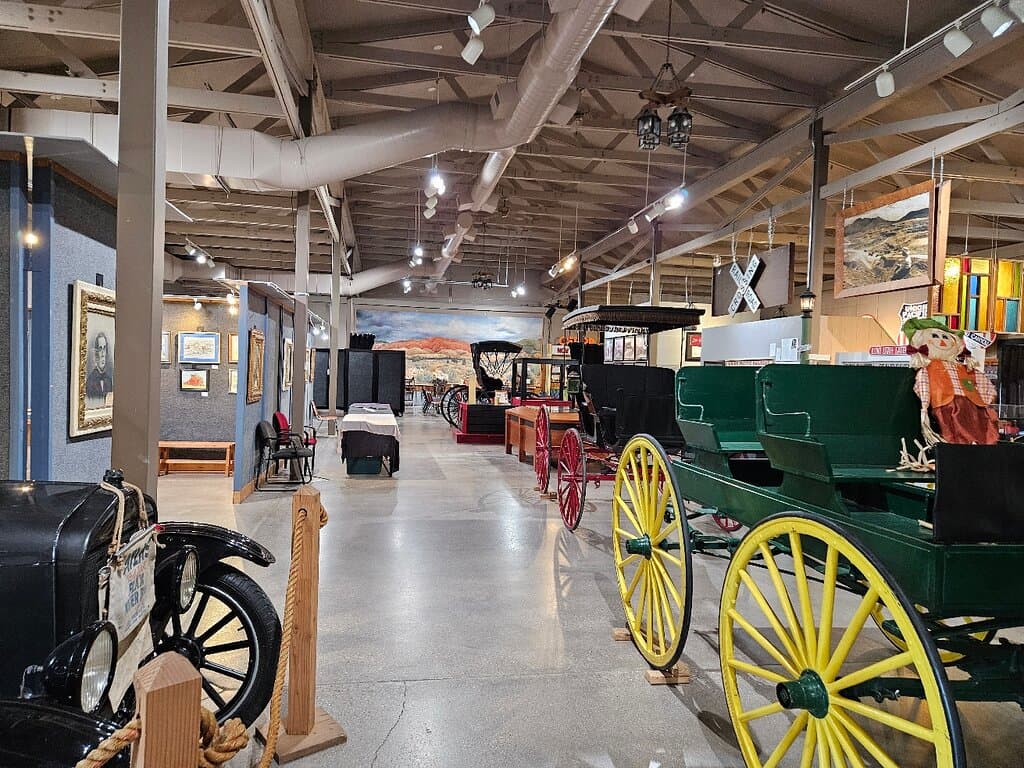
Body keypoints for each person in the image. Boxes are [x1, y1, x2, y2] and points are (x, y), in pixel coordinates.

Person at [85, 331, 114, 406]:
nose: (102, 354)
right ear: (95, 353)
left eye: (104, 349)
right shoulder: (90, 381)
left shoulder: (109, 379)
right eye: (100, 349)